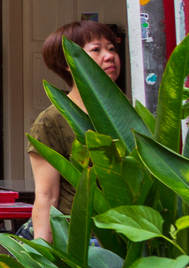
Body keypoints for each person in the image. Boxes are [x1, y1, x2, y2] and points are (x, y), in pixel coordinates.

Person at [27, 20, 126, 241]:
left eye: (111, 48)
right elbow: (47, 195)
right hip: (82, 240)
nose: (109, 56)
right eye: (96, 50)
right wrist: (43, 259)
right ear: (67, 62)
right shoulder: (51, 121)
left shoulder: (129, 114)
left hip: (131, 233)